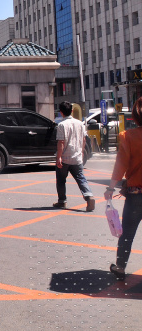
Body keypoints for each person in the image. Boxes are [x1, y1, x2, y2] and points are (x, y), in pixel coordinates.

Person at [104, 97, 142, 280]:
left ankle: (120, 267)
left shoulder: (128, 136)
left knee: (127, 232)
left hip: (136, 195)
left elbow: (121, 165)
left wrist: (110, 188)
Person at [53, 101, 95, 212]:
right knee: (81, 178)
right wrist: (81, 152)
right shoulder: (80, 123)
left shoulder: (61, 125)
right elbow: (84, 139)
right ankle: (89, 196)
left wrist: (59, 157)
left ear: (61, 112)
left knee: (61, 180)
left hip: (65, 157)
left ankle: (62, 201)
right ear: (72, 111)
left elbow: (61, 142)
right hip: (77, 157)